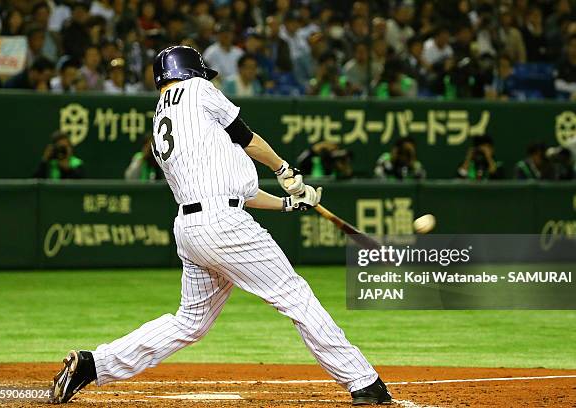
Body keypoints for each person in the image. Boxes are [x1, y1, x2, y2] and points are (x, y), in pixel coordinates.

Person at [49, 45, 391, 406]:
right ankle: (363, 381)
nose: (207, 80)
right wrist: (284, 170)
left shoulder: (165, 115)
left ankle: (93, 365)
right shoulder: (197, 90)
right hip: (223, 224)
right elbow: (248, 138)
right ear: (187, 72)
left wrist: (289, 202)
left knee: (189, 322)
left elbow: (237, 189)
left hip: (193, 227)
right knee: (296, 297)